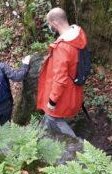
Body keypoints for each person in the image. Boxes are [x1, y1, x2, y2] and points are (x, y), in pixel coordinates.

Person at [37, 7, 88, 138]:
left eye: (49, 24)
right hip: (75, 89)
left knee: (52, 117)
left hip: (64, 94)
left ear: (55, 23)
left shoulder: (63, 47)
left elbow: (60, 79)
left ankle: (79, 148)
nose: (50, 27)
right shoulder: (78, 34)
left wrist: (52, 101)